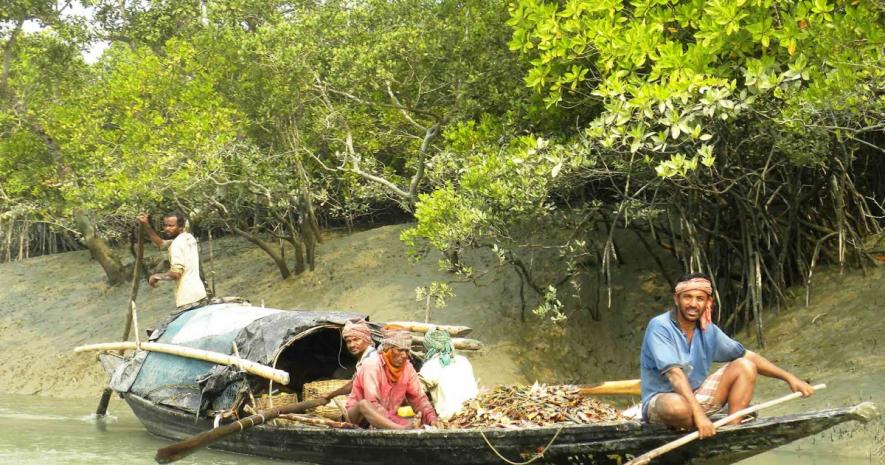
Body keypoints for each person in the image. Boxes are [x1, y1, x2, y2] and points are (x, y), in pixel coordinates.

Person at [640, 272, 815, 439]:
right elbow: (675, 375)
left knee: (745, 365)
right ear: (676, 299)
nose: (693, 304)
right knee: (676, 407)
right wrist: (700, 416)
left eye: (700, 298)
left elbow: (748, 356)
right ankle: (698, 426)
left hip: (695, 398)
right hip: (663, 405)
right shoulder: (660, 326)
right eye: (687, 297)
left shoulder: (708, 330)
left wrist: (790, 378)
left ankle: (731, 430)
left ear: (708, 302)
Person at [345, 327, 438, 429]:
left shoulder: (407, 367)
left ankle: (402, 427)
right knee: (364, 404)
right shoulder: (372, 364)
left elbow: (419, 399)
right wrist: (403, 424)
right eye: (400, 350)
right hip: (359, 417)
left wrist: (432, 420)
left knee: (423, 416)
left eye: (407, 351)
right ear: (388, 350)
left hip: (388, 418)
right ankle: (402, 429)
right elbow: (373, 403)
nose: (404, 355)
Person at [136, 212, 207, 310]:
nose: (167, 228)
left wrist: (156, 276)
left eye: (171, 226)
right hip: (200, 293)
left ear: (181, 226)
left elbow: (176, 273)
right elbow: (162, 244)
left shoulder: (177, 245)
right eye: (165, 225)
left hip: (188, 298)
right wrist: (146, 225)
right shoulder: (189, 238)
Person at [418, 328, 478, 420]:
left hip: (451, 418)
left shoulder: (430, 366)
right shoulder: (463, 360)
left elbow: (416, 392)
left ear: (428, 347)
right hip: (474, 413)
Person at [323, 319, 378, 399]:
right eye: (348, 341)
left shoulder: (371, 359)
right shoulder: (365, 357)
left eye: (356, 339)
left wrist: (331, 395)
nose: (352, 345)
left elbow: (354, 385)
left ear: (366, 339)